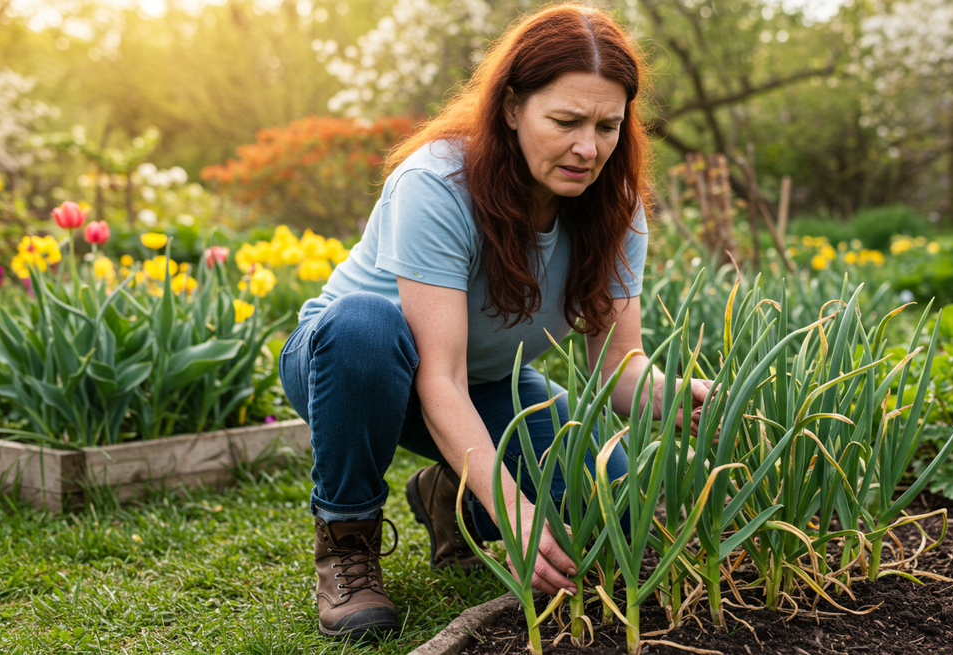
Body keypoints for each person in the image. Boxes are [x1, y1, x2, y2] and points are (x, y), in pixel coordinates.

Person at [278, 3, 711, 642]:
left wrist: (682, 399)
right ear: (511, 107)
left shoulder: (615, 209)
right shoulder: (438, 184)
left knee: (611, 506)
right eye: (564, 121)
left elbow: (617, 366)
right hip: (353, 369)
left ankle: (446, 498)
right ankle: (348, 542)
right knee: (366, 326)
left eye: (607, 125)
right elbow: (438, 377)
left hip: (481, 387)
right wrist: (514, 511)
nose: (587, 148)